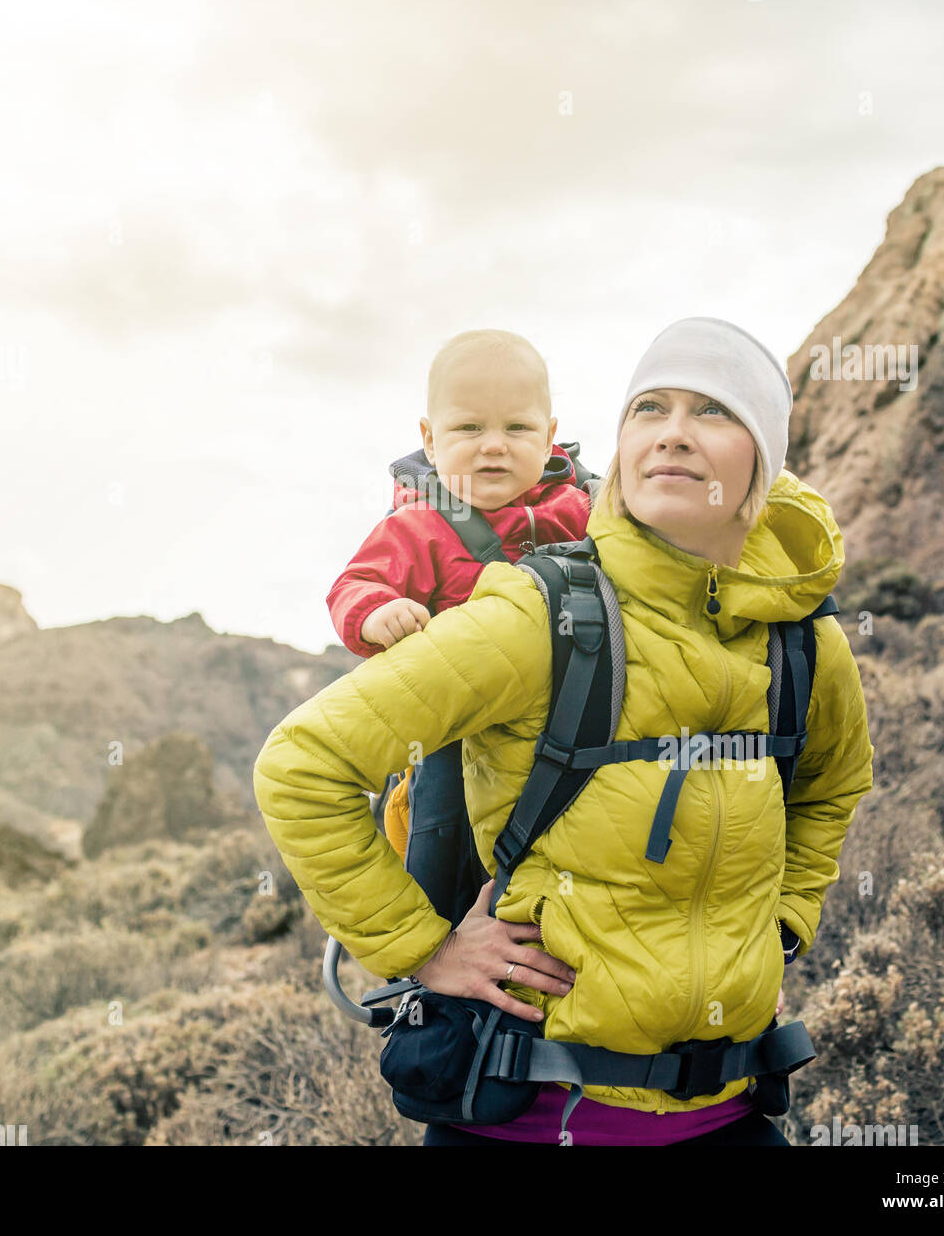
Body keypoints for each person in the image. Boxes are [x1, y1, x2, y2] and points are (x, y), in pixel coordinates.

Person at [254, 316, 875, 1146]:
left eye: (715, 411)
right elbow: (302, 766)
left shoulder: (805, 640)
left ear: (764, 452)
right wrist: (426, 951)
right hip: (529, 1120)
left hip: (734, 1114)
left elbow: (831, 787)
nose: (675, 435)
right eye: (650, 407)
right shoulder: (537, 611)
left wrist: (783, 926)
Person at [324, 329, 592, 904]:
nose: (493, 445)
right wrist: (379, 613)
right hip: (458, 735)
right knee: (444, 843)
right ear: (430, 437)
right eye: (469, 428)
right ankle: (437, 964)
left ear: (549, 437)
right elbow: (354, 585)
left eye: (516, 428)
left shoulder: (585, 509)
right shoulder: (420, 525)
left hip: (572, 725)